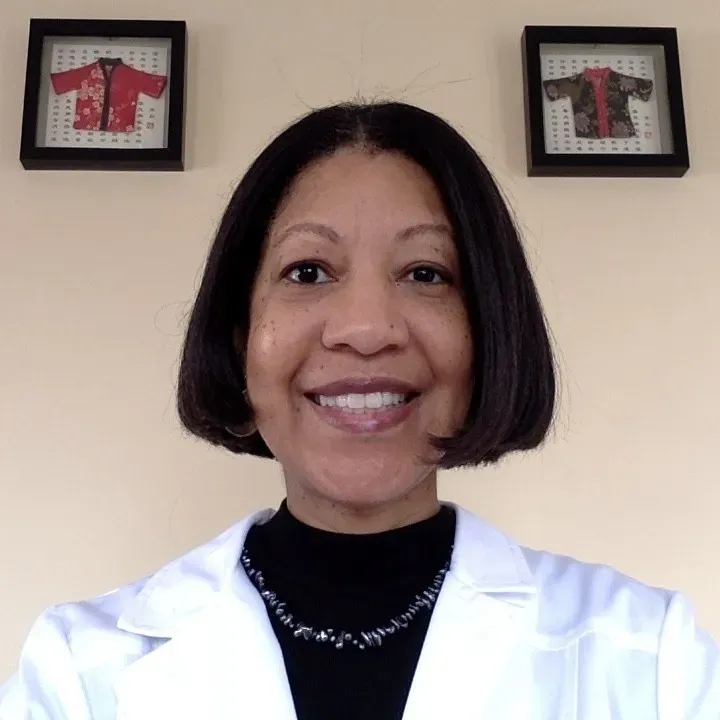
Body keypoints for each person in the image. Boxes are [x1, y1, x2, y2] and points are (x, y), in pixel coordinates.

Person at [0, 100, 717, 720]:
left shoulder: (651, 655)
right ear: (241, 337)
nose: (367, 328)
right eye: (307, 272)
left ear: (489, 331)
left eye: (426, 274)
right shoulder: (79, 669)